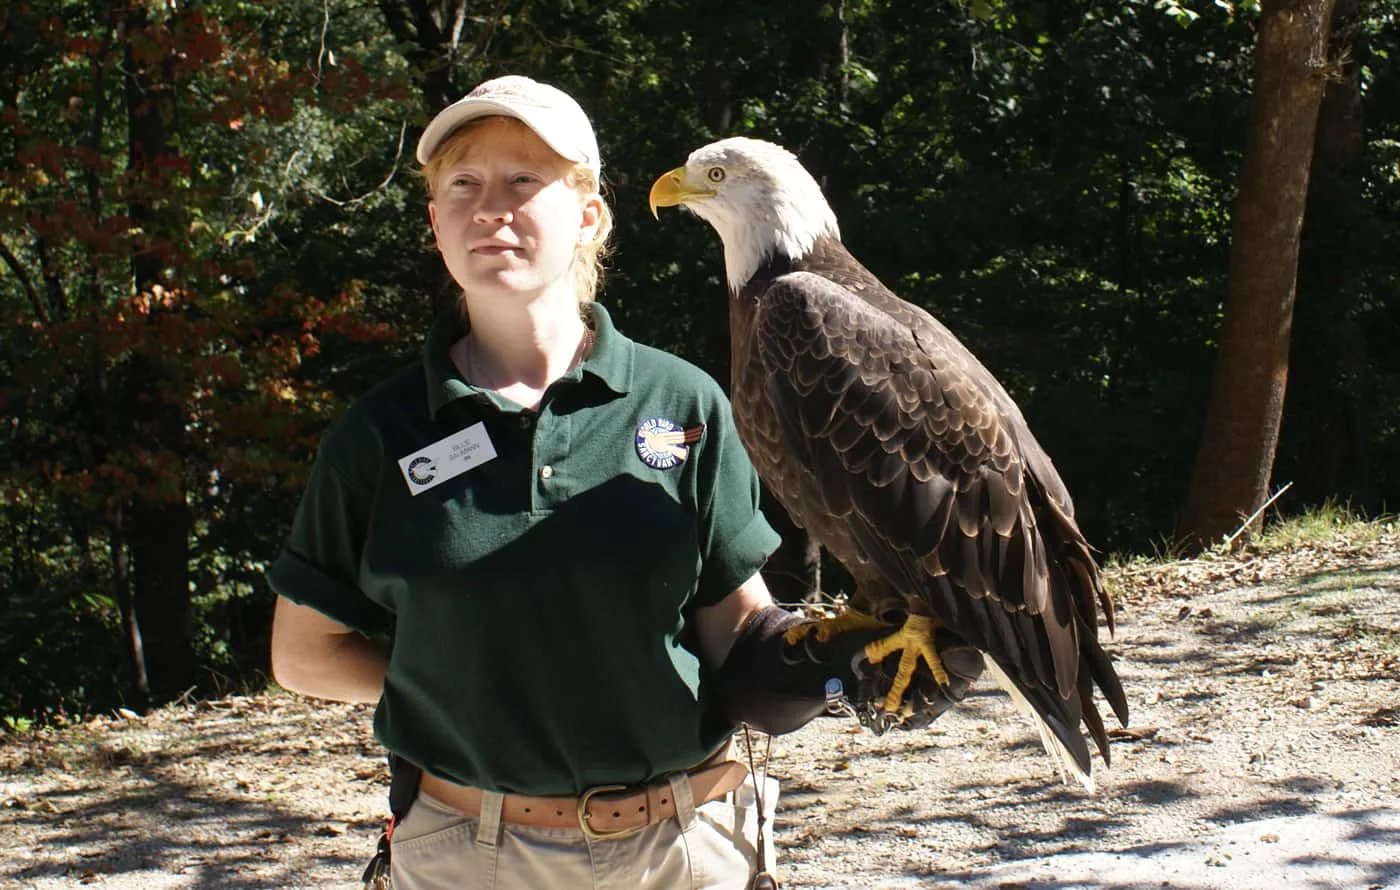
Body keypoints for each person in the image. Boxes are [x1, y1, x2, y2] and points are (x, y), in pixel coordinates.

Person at [267, 74, 977, 890]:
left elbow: (735, 634)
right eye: (463, 184)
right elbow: (302, 655)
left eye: (524, 181)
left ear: (590, 217)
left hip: (685, 846)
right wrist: (465, 676)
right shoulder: (381, 433)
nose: (491, 207)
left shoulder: (684, 402)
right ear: (436, 223)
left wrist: (831, 661)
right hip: (471, 852)